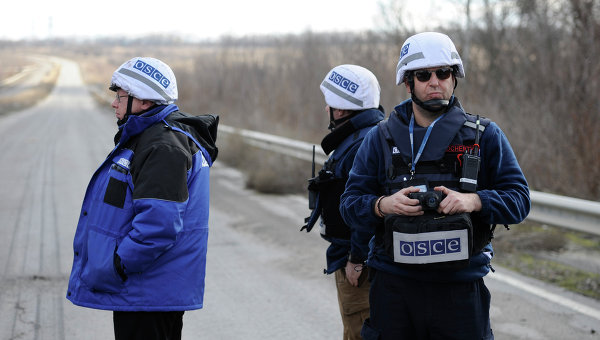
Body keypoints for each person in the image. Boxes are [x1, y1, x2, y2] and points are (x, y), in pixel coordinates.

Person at [340, 32, 531, 339]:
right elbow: (349, 205)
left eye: (443, 73)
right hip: (393, 289)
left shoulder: (484, 136)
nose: (434, 82)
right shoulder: (380, 137)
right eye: (423, 75)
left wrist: (475, 201)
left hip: (460, 291)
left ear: (454, 78)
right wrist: (382, 205)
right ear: (408, 83)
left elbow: (520, 200)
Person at [66, 57, 218, 340]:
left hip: (147, 290)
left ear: (144, 102)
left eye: (120, 96)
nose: (114, 103)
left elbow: (159, 225)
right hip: (144, 291)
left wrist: (119, 265)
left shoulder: (162, 146)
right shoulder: (151, 138)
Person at [303, 64, 385, 339]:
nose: (327, 110)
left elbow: (365, 207)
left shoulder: (360, 143)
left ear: (340, 110)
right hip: (366, 258)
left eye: (330, 105)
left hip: (360, 264)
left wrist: (357, 258)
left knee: (358, 330)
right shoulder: (373, 134)